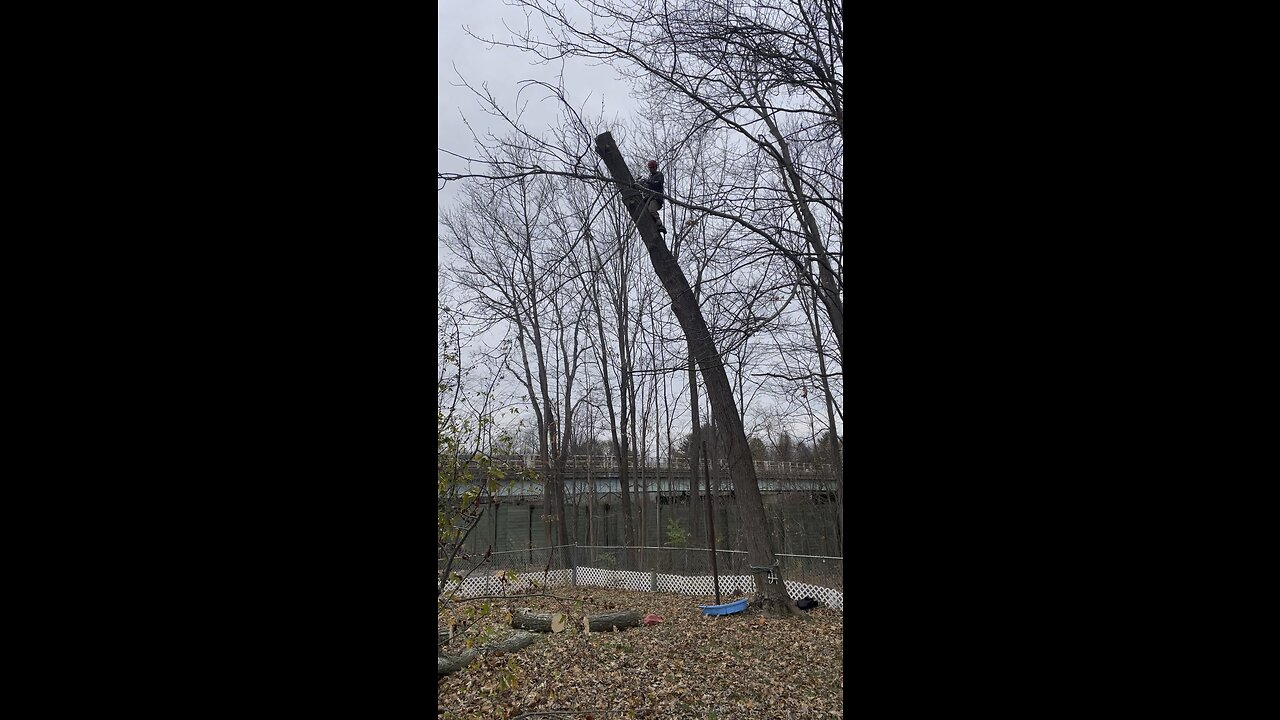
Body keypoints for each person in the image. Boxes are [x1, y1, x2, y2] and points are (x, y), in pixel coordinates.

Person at [640, 159, 666, 234]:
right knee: (646, 212)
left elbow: (657, 183)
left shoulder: (659, 175)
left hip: (656, 198)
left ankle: (659, 224)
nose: (651, 169)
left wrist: (648, 182)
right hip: (649, 198)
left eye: (652, 168)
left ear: (655, 167)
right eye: (650, 168)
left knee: (651, 210)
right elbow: (648, 187)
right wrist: (642, 184)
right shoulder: (650, 177)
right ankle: (654, 225)